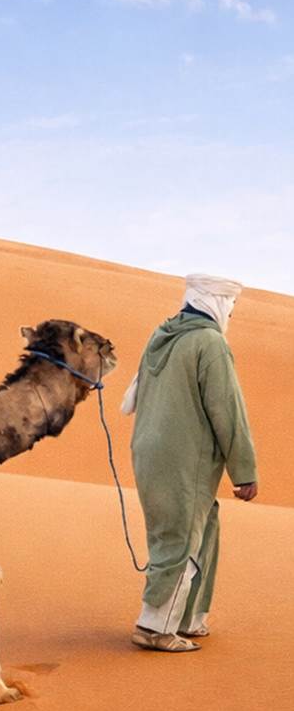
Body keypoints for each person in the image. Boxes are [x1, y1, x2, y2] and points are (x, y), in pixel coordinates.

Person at [122, 273, 257, 652]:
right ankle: (154, 627)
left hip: (150, 450)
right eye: (231, 304)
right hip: (184, 457)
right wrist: (244, 471)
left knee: (200, 529)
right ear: (217, 303)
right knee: (180, 538)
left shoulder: (163, 335)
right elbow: (228, 411)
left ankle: (189, 618)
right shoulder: (209, 343)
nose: (231, 312)